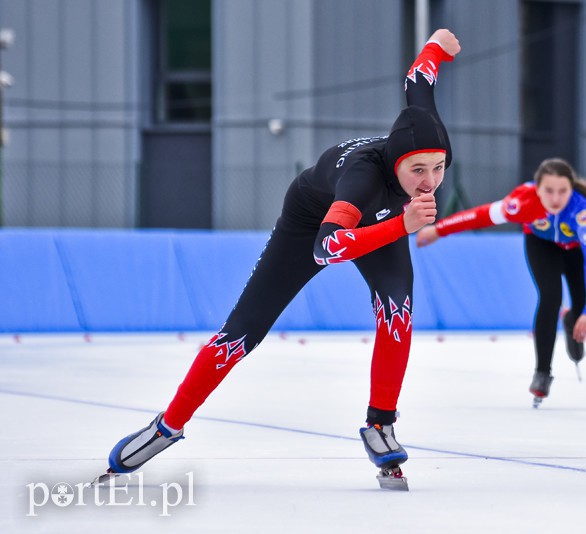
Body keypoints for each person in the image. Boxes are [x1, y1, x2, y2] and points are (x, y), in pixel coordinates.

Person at [104, 29, 461, 481]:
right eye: (418, 170)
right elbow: (326, 247)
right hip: (312, 223)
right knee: (241, 333)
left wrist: (435, 46)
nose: (429, 181)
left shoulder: (426, 130)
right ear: (395, 162)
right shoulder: (363, 179)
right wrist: (402, 225)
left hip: (386, 221)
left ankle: (380, 423)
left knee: (397, 311)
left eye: (438, 168)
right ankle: (167, 426)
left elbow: (418, 79)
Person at [416, 158, 586, 406]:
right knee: (550, 297)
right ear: (537, 189)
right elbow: (481, 216)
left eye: (563, 191)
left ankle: (571, 320)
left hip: (575, 251)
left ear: (572, 189)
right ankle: (542, 373)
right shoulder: (523, 201)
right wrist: (439, 230)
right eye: (548, 191)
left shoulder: (582, 212)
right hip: (542, 245)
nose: (555, 199)